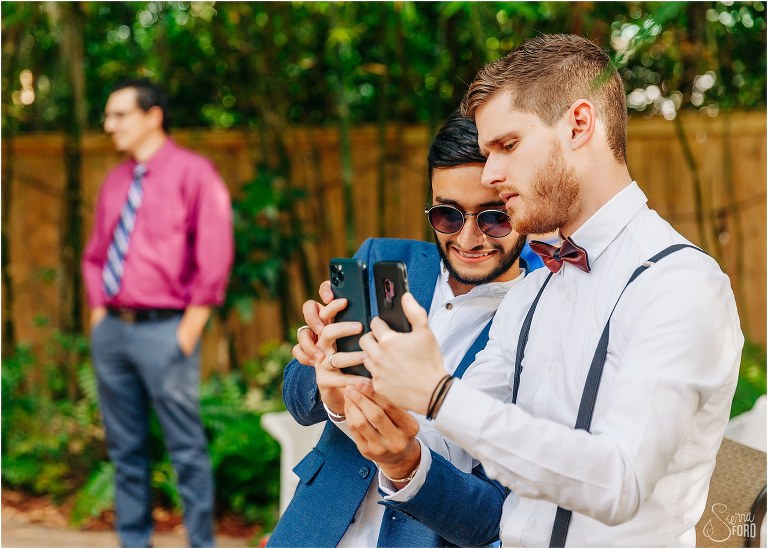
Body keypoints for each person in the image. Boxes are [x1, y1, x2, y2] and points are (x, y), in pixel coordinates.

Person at [355, 34, 744, 547]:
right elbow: (449, 440)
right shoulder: (529, 294)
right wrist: (354, 389)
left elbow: (618, 482)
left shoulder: (680, 285)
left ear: (579, 125)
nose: (491, 175)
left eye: (507, 146)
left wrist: (438, 393)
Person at [267, 111, 543, 547]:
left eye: (494, 218)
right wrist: (319, 366)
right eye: (448, 216)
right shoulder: (381, 257)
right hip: (313, 531)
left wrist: (407, 465)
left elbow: (496, 515)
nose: (469, 239)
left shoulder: (544, 316)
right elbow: (300, 403)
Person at [82, 79, 233, 548]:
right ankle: (133, 541)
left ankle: (201, 543)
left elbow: (214, 255)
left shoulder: (195, 174)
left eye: (119, 115)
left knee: (185, 448)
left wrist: (187, 333)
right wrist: (97, 316)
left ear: (152, 116)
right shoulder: (115, 181)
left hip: (166, 331)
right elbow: (95, 255)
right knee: (125, 449)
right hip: (113, 332)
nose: (109, 126)